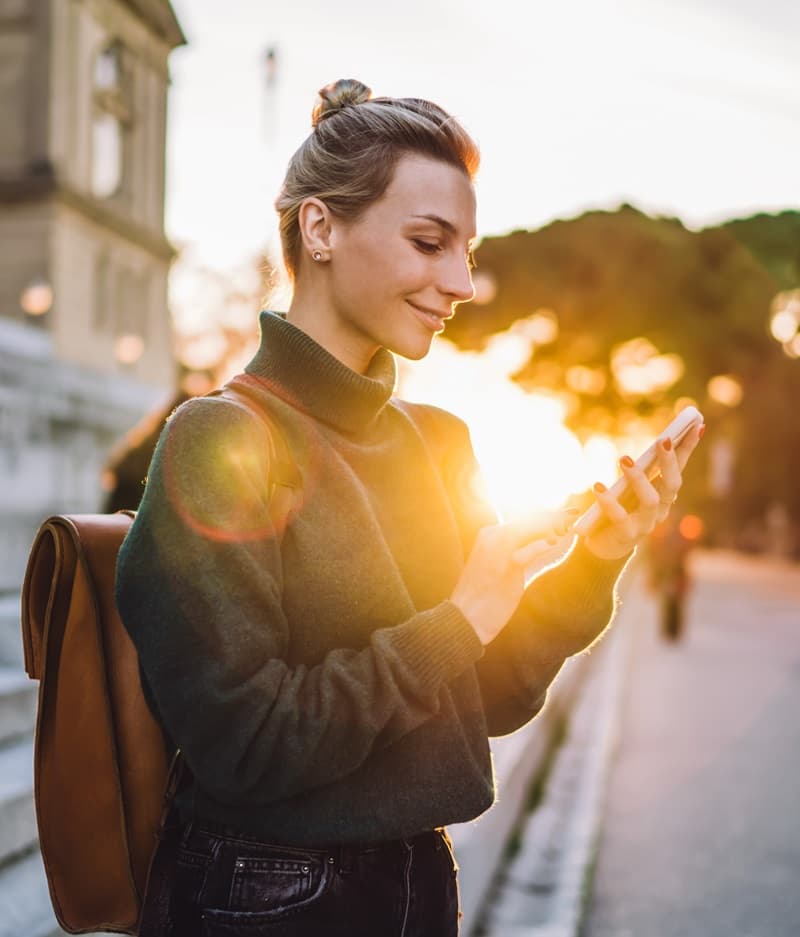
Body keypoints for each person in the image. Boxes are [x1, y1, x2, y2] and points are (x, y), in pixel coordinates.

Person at [115, 79, 704, 937]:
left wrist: (596, 560)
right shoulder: (220, 440)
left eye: (466, 249)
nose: (461, 281)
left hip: (421, 881)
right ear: (319, 229)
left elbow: (486, 698)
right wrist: (456, 620)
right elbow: (245, 743)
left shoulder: (439, 441)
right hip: (262, 893)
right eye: (430, 243)